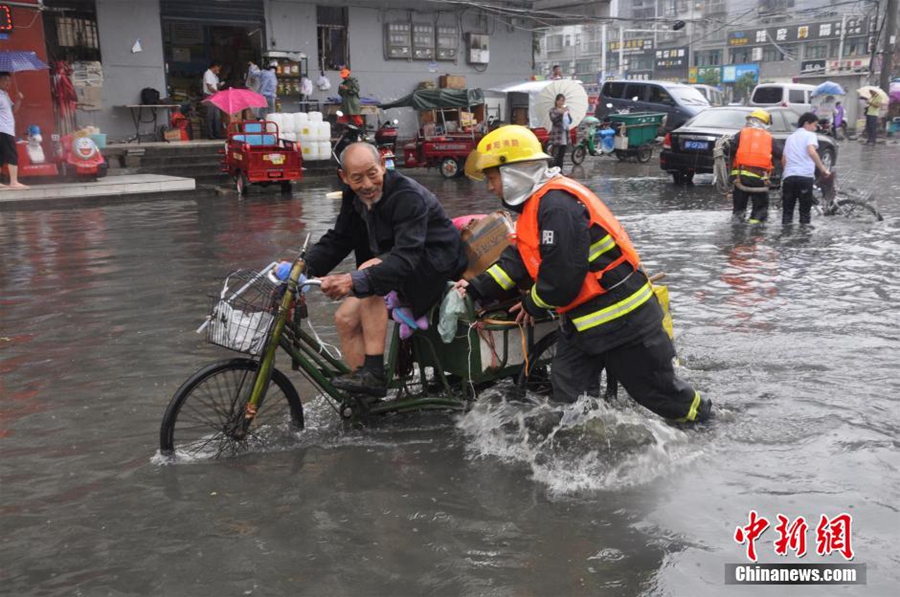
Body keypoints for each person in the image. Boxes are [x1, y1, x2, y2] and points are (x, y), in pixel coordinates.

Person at [457, 125, 712, 424]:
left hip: (624, 324)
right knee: (570, 405)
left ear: (514, 172)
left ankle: (706, 422)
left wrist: (532, 304)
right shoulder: (535, 209)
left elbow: (562, 279)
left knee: (659, 395)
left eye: (491, 179)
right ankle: (583, 452)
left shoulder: (557, 207)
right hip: (582, 327)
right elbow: (518, 260)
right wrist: (474, 287)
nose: (490, 188)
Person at [304, 142, 467, 397]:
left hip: (433, 265)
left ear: (383, 164)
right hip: (395, 264)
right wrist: (302, 267)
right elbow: (340, 239)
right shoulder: (354, 196)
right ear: (344, 178)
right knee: (344, 319)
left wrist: (355, 279)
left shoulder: (407, 196)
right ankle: (366, 399)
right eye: (357, 178)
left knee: (366, 273)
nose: (367, 185)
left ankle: (374, 373)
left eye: (372, 174)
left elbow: (406, 257)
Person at [727, 109, 782, 223]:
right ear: (765, 123)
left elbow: (729, 149)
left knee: (738, 210)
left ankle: (737, 234)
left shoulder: (741, 134)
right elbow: (781, 154)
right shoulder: (769, 138)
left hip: (739, 178)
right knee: (760, 211)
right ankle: (756, 233)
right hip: (759, 179)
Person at [781, 112, 830, 225]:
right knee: (805, 213)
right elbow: (812, 152)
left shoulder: (790, 137)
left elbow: (784, 159)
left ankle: (786, 235)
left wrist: (787, 174)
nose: (815, 128)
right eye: (814, 125)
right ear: (806, 123)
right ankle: (803, 238)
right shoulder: (810, 135)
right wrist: (823, 169)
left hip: (789, 177)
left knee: (787, 212)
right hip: (804, 177)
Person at [0, 72, 28, 190]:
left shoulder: (4, 95)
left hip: (6, 130)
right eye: (5, 80)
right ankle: (14, 182)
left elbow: (13, 110)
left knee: (1, 156)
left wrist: (18, 100)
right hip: (3, 130)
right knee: (12, 155)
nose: (8, 83)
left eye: (9, 80)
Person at [203, 61, 224, 139]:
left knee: (217, 116)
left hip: (215, 96)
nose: (219, 69)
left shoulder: (215, 76)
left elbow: (216, 86)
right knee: (210, 116)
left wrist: (220, 84)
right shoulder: (208, 73)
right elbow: (210, 87)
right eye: (218, 67)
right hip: (209, 96)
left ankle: (217, 134)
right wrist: (218, 92)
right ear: (215, 66)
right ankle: (210, 134)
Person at [548, 93, 569, 168]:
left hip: (564, 136)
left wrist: (567, 114)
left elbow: (569, 121)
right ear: (556, 101)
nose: (561, 102)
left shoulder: (565, 110)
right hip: (556, 136)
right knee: (555, 156)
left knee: (561, 156)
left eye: (563, 101)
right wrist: (560, 114)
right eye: (560, 101)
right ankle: (554, 171)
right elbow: (554, 120)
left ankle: (560, 171)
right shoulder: (553, 110)